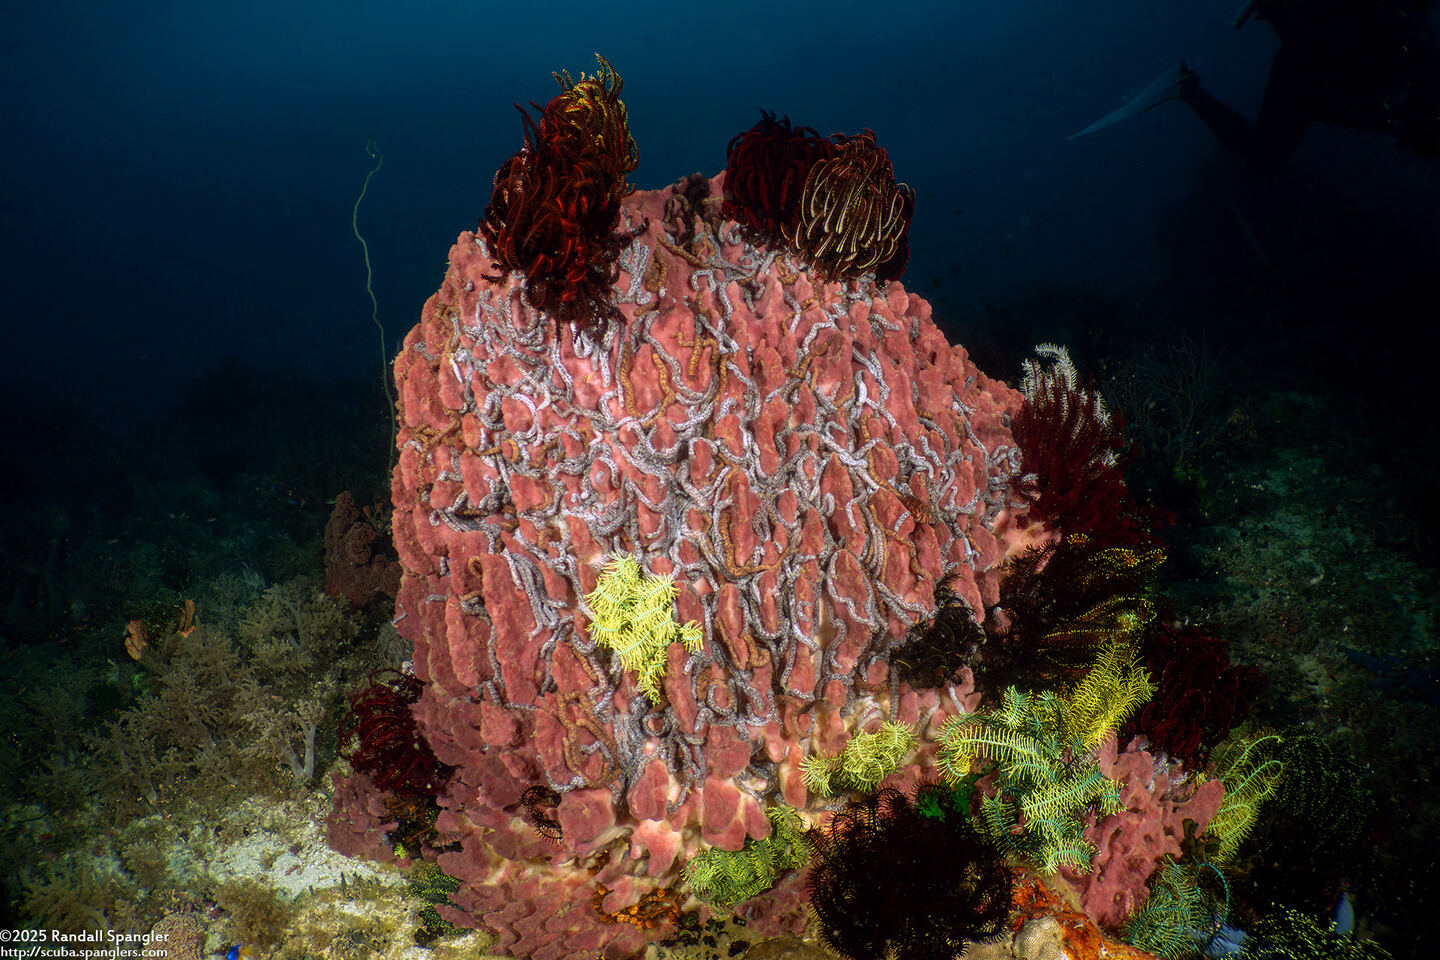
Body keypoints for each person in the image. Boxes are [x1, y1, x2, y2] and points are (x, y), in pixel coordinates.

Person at [1176, 0, 1440, 172]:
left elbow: (1409, 114)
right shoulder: (1395, 28)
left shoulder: (1419, 52)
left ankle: (1187, 90)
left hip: (1319, 82)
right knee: (1264, 157)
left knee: (1264, 158)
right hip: (1305, 72)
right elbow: (1316, 30)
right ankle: (1187, 90)